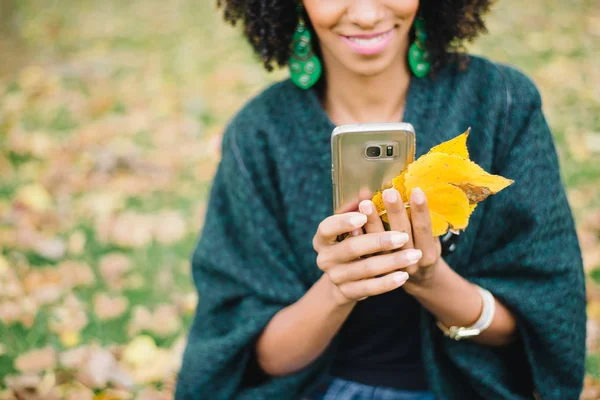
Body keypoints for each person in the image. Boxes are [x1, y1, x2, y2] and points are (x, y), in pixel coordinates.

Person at [176, 1, 586, 399]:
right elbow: (261, 357)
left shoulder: (501, 103)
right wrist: (337, 288)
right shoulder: (258, 135)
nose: (368, 14)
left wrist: (430, 279)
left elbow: (544, 318)